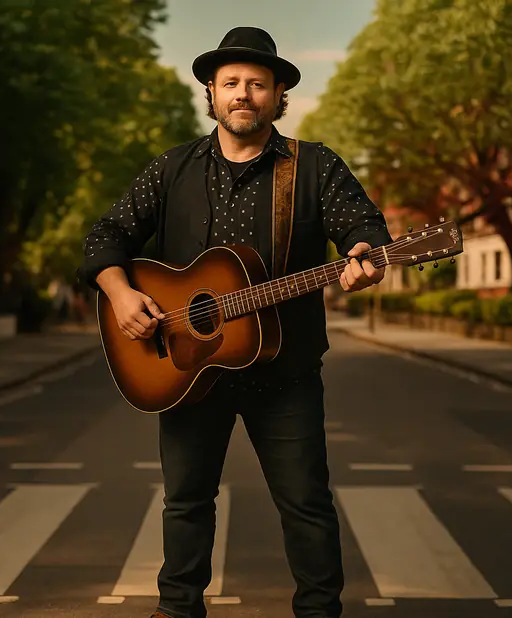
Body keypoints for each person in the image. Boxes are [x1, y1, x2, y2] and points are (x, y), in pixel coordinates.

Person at [77, 26, 392, 618]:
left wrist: (364, 260)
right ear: (211, 94)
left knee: (306, 504)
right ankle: (178, 611)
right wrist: (120, 294)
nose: (243, 94)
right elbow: (105, 237)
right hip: (186, 368)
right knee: (186, 502)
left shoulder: (314, 166)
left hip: (286, 370)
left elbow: (363, 228)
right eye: (231, 84)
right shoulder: (170, 170)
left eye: (256, 84)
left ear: (278, 95)